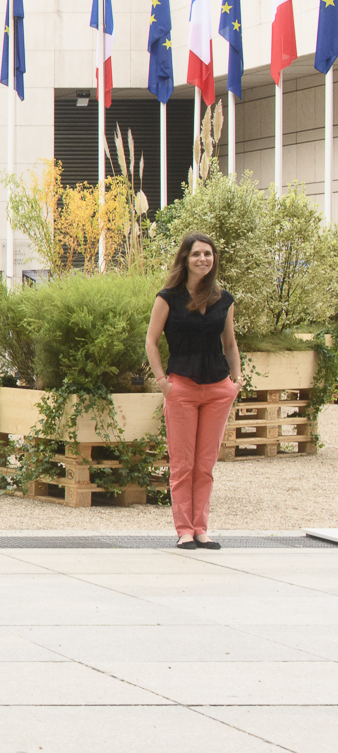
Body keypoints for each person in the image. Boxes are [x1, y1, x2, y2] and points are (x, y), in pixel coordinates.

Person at [145, 232, 240, 550]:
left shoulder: (223, 300)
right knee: (183, 463)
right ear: (185, 258)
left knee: (205, 464)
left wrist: (237, 381)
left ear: (214, 260)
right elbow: (151, 341)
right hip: (182, 387)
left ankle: (202, 528)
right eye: (197, 254)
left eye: (208, 254)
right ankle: (184, 530)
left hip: (217, 389)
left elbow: (230, 343)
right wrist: (162, 382)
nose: (203, 259)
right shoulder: (168, 297)